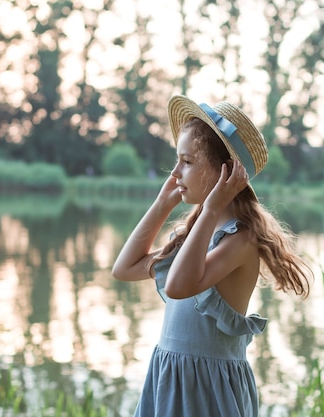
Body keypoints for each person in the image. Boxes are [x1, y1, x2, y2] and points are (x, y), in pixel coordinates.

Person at [112, 95, 312, 417]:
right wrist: (162, 205)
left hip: (207, 391)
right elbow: (124, 268)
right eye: (177, 160)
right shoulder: (195, 236)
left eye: (187, 162)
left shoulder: (241, 239)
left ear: (223, 173)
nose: (175, 172)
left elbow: (177, 286)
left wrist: (212, 207)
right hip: (171, 379)